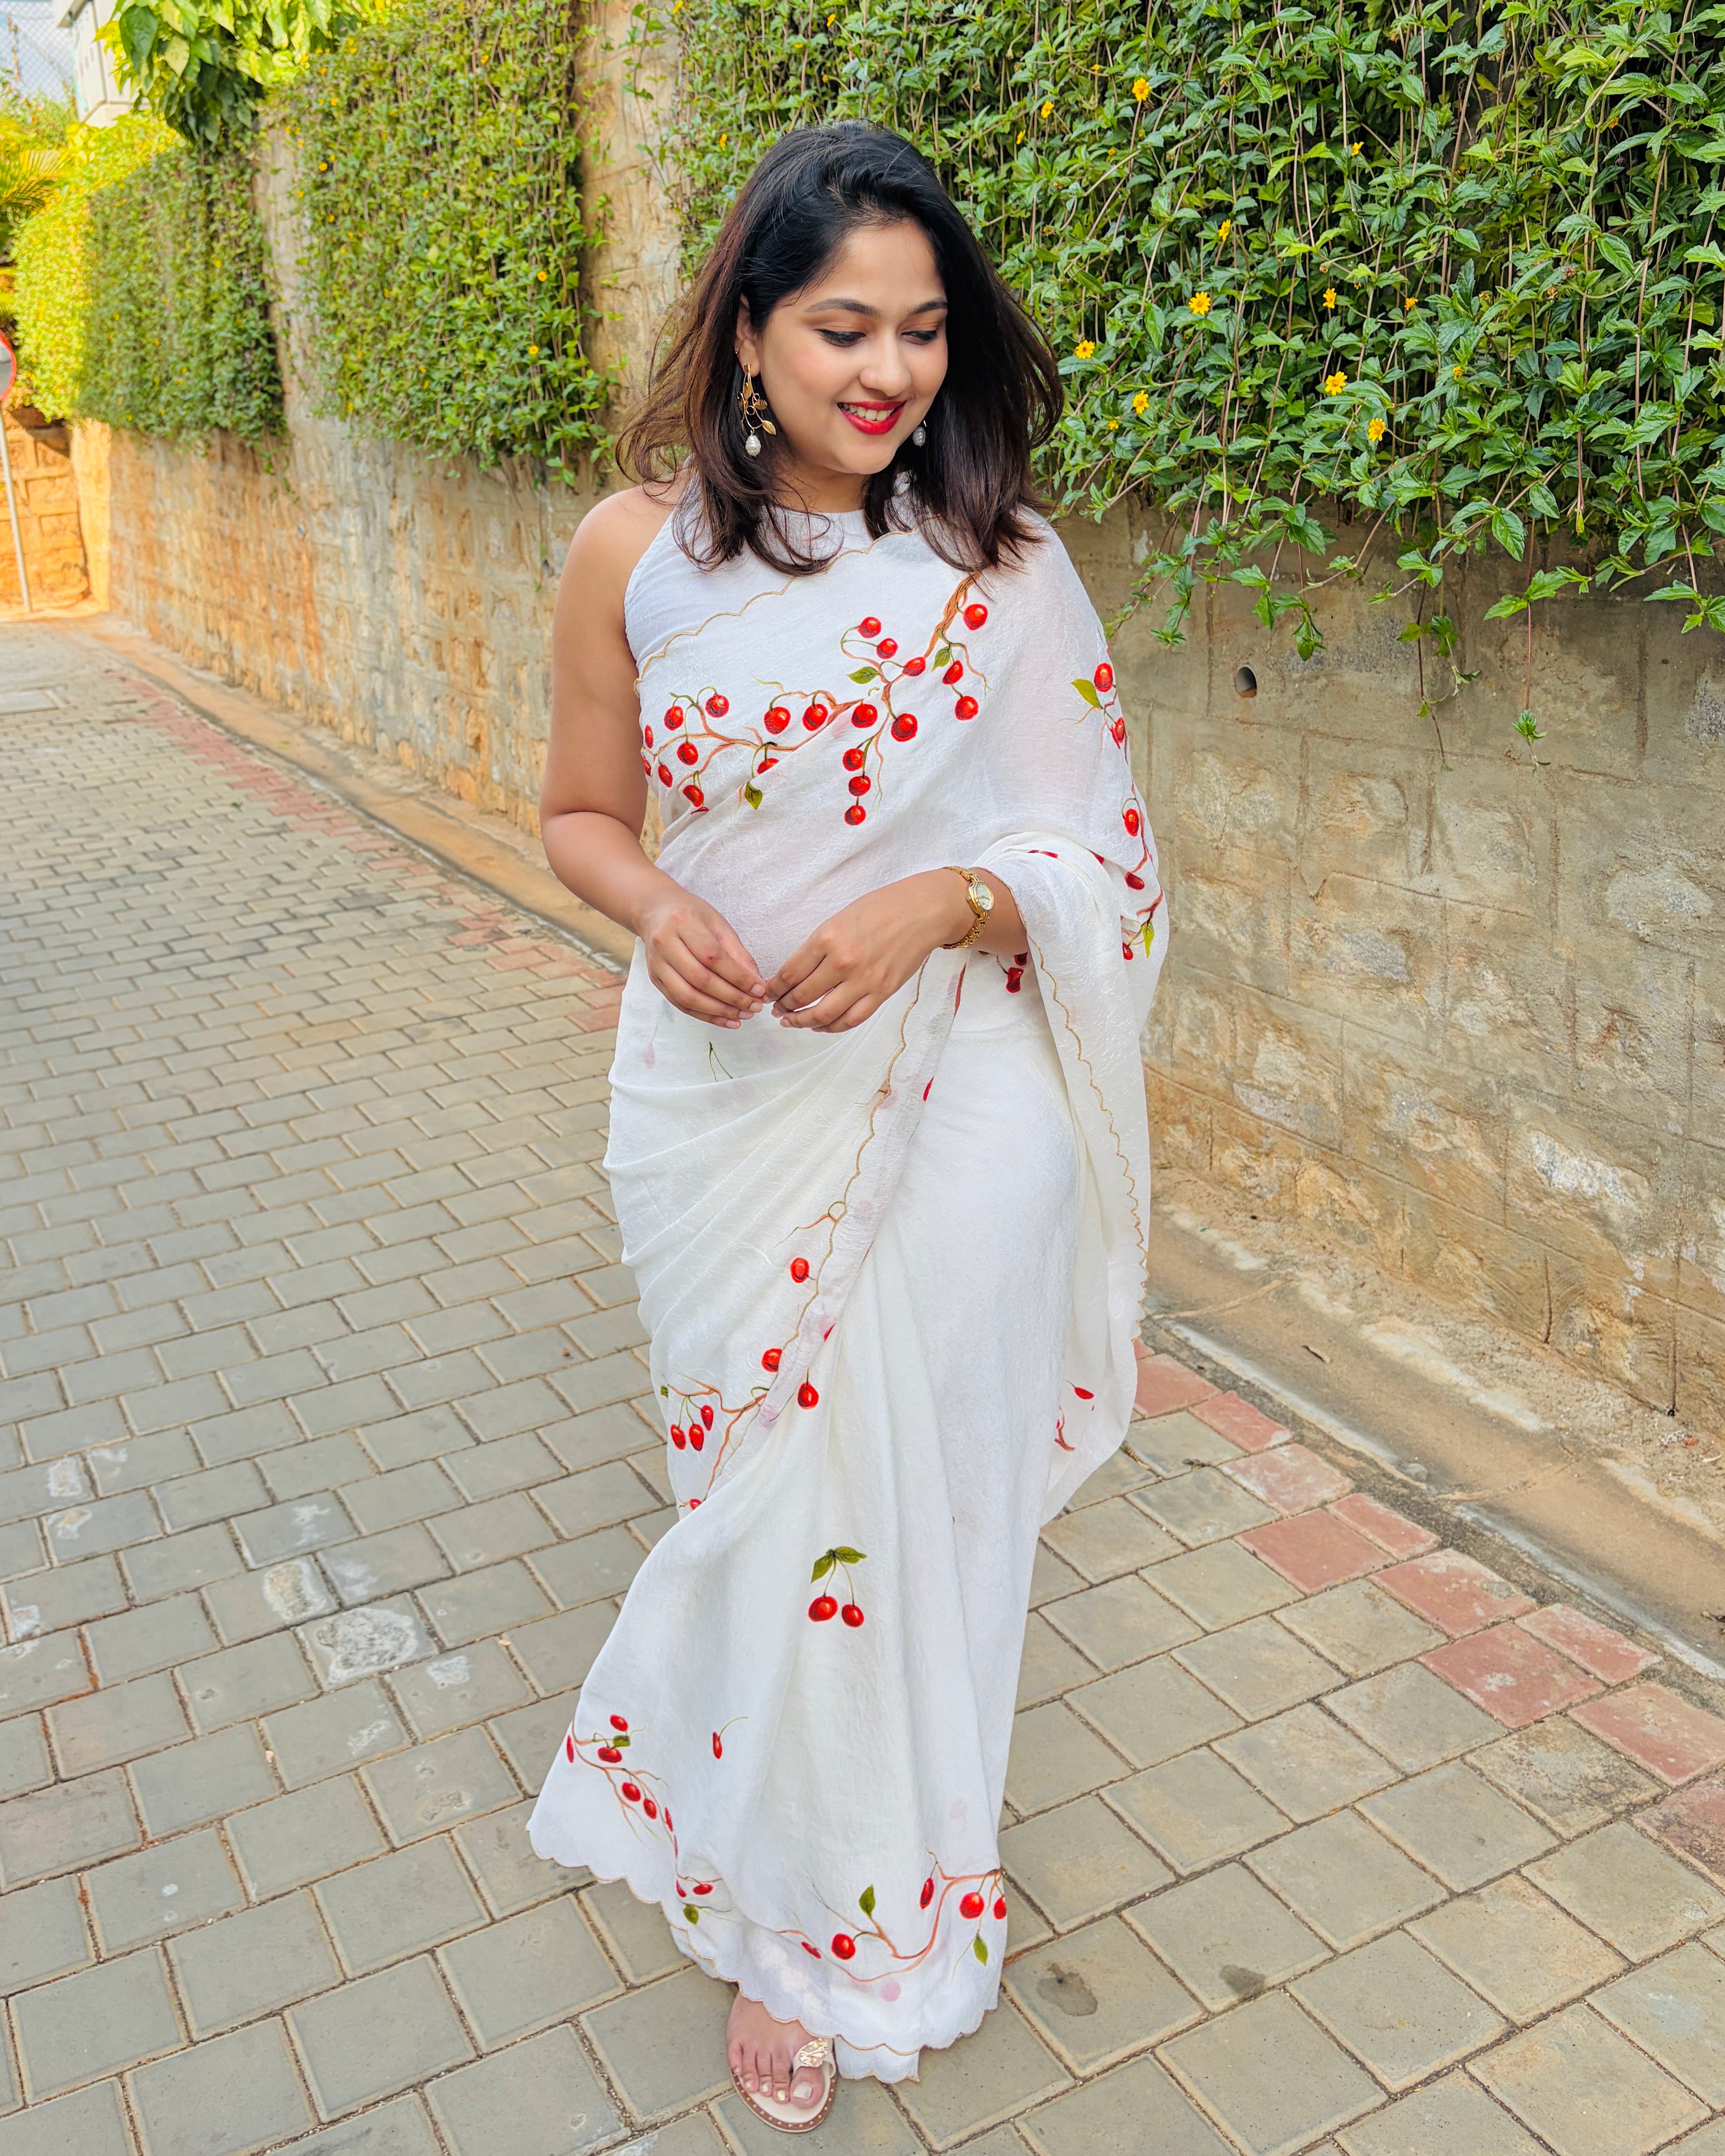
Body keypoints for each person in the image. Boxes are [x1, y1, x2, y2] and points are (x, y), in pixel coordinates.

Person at [526, 120, 1165, 2128]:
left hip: (966, 1094)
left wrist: (944, 902)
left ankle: (846, 1921)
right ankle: (793, 1859)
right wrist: (661, 913)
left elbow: (1108, 865)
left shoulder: (1007, 568)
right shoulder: (633, 554)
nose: (882, 376)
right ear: (742, 338)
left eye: (917, 335)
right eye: (835, 333)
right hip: (723, 1102)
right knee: (765, 1508)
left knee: (908, 1510)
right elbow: (573, 818)